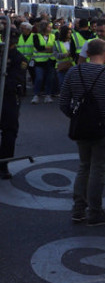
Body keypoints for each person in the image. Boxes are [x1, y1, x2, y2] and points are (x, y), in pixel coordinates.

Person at [59, 39, 105, 226]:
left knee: (84, 166)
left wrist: (76, 117)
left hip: (81, 128)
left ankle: (78, 209)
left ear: (87, 54)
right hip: (104, 128)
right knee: (98, 169)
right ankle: (95, 212)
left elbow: (63, 102)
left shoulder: (74, 71)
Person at [0, 28, 27, 180]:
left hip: (8, 98)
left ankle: (3, 164)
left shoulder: (18, 58)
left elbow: (16, 80)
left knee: (9, 131)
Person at [31, 21, 57, 104]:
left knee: (50, 79)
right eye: (49, 27)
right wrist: (48, 49)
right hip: (39, 61)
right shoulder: (36, 36)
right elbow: (38, 47)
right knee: (39, 78)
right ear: (44, 28)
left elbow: (55, 47)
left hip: (50, 61)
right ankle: (36, 95)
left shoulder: (53, 36)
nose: (51, 28)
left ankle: (48, 95)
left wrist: (46, 49)